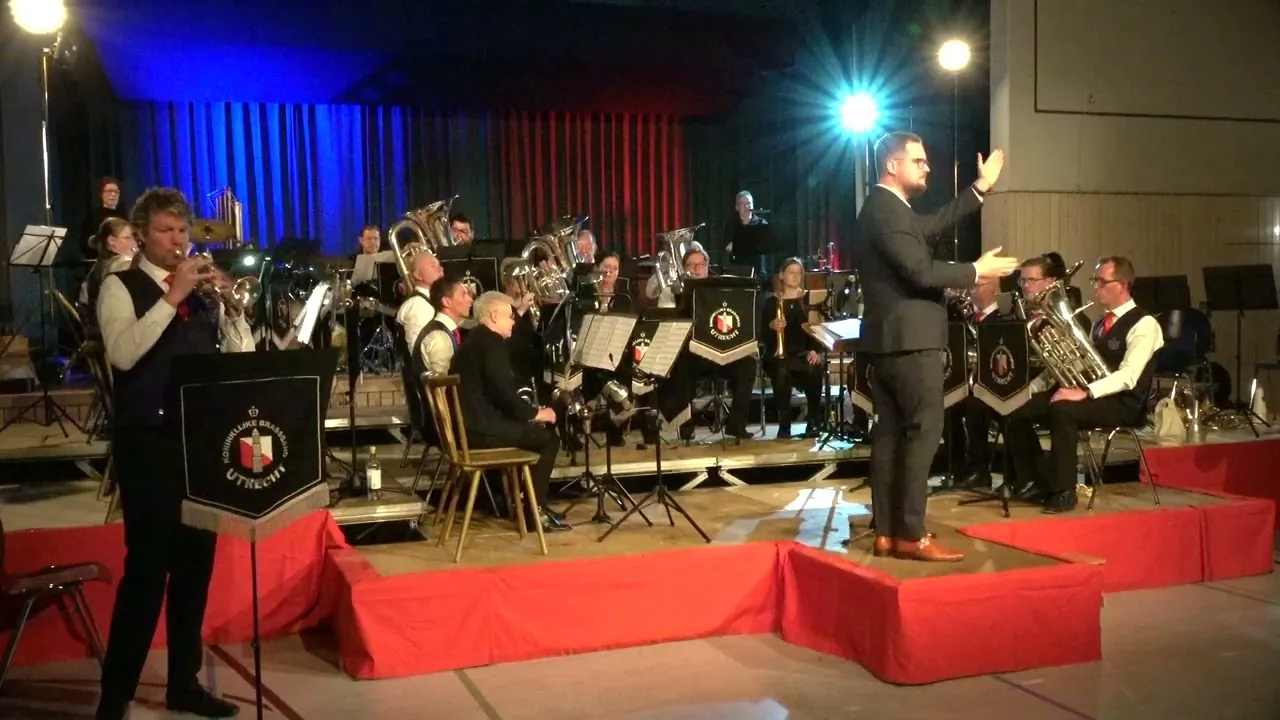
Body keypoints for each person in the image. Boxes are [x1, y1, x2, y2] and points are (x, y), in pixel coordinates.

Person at [94, 187, 254, 720]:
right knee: (146, 573)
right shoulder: (119, 286)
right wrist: (171, 296)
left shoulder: (201, 292)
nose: (177, 241)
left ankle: (183, 683)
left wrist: (232, 310)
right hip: (148, 443)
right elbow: (123, 353)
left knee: (194, 571)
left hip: (198, 442)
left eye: (183, 231)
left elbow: (239, 357)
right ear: (142, 234)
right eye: (166, 231)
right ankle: (115, 694)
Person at [852, 130, 1015, 562]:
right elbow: (921, 272)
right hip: (911, 342)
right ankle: (911, 534)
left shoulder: (888, 208)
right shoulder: (886, 210)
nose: (927, 167)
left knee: (890, 437)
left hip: (891, 342)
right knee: (922, 435)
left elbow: (932, 224)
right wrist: (975, 270)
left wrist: (980, 189)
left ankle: (888, 532)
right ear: (892, 165)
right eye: (918, 161)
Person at [1004, 256, 1163, 513]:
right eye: (1094, 280)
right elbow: (1076, 363)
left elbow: (1129, 376)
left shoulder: (1145, 324)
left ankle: (1064, 491)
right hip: (1094, 397)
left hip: (1124, 404)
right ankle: (1035, 480)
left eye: (1102, 281)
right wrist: (1030, 389)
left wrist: (1085, 391)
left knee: (1063, 410)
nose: (1095, 287)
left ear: (1122, 285)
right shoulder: (1100, 323)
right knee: (1016, 408)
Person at [450, 292, 570, 532]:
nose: (514, 321)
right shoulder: (490, 345)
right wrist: (536, 414)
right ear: (494, 315)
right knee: (548, 439)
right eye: (510, 316)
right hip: (480, 431)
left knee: (534, 431)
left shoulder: (476, 340)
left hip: (469, 427)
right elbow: (505, 395)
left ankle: (527, 503)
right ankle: (533, 512)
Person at [654, 246, 757, 441]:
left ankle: (736, 424)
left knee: (748, 365)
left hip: (724, 349)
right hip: (694, 353)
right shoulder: (673, 291)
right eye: (691, 265)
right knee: (681, 364)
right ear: (684, 268)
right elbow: (666, 321)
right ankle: (685, 423)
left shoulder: (723, 288)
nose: (696, 269)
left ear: (707, 266)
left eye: (700, 265)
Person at [948, 276, 1012, 488]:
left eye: (974, 286)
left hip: (997, 384)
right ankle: (958, 468)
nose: (969, 290)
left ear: (991, 287)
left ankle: (979, 469)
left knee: (973, 405)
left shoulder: (1004, 317)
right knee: (948, 402)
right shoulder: (968, 318)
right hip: (972, 381)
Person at [762, 257, 824, 439]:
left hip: (804, 352)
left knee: (814, 366)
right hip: (777, 355)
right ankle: (784, 425)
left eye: (799, 273)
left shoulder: (809, 299)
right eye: (791, 272)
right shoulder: (771, 302)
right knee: (781, 370)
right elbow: (762, 336)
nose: (795, 276)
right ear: (782, 275)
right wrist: (771, 326)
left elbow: (817, 328)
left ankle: (813, 420)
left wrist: (815, 350)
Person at [78, 218, 138, 335]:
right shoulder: (122, 264)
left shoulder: (98, 266)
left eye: (133, 237)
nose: (134, 243)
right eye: (127, 238)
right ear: (112, 241)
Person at [418, 276, 472, 375]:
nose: (470, 299)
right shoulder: (439, 337)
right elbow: (443, 381)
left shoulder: (446, 331)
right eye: (463, 294)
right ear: (446, 301)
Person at [394, 252, 444, 357]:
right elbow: (418, 352)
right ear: (418, 275)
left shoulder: (432, 301)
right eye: (432, 265)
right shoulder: (418, 305)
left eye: (439, 265)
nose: (440, 269)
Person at [79, 176, 127, 258]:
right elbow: (84, 242)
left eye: (116, 192)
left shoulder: (124, 216)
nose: (113, 194)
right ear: (101, 194)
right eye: (109, 191)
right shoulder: (93, 216)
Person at [723, 190, 770, 272]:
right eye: (743, 204)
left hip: (758, 271)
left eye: (749, 203)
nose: (747, 206)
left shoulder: (761, 223)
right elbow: (728, 247)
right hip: (737, 271)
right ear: (737, 207)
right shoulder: (731, 225)